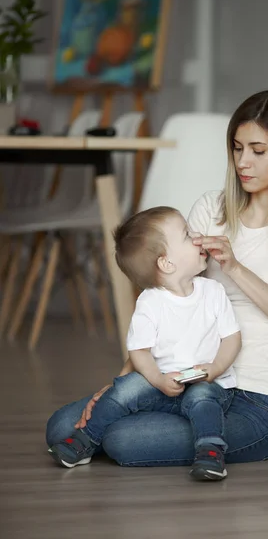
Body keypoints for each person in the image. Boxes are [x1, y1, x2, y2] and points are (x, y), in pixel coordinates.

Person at [46, 89, 268, 468]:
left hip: (258, 403)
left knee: (123, 439)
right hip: (187, 381)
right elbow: (167, 303)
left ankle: (146, 434)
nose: (243, 162)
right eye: (237, 148)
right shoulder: (211, 208)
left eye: (258, 150)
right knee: (60, 426)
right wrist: (120, 384)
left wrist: (236, 268)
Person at [48, 206, 241, 480]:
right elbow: (139, 351)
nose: (198, 236)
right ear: (166, 263)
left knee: (203, 397)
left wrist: (216, 367)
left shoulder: (213, 292)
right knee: (126, 388)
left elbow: (232, 337)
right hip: (161, 383)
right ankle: (84, 440)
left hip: (208, 382)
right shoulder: (150, 302)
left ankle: (210, 453)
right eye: (187, 234)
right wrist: (158, 380)